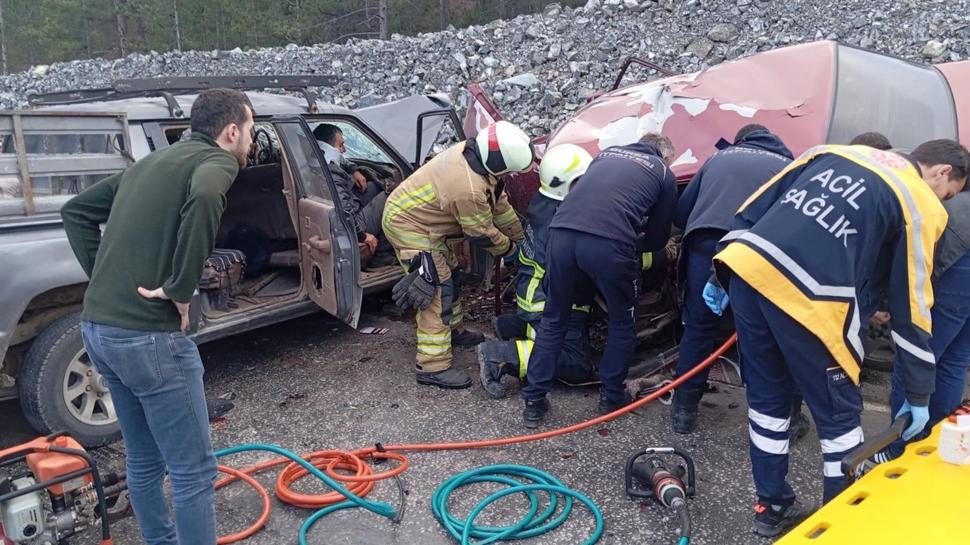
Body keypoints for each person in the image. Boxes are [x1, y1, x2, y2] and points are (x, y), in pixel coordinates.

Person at [708, 140, 969, 537]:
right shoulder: (921, 202)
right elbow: (912, 306)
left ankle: (772, 507)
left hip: (748, 274)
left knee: (767, 402)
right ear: (941, 173)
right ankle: (839, 526)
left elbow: (754, 209)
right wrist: (918, 394)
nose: (944, 201)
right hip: (811, 299)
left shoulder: (831, 152)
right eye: (948, 194)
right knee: (841, 420)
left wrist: (717, 274)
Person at [61, 88, 255, 545]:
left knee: (145, 461)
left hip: (98, 331)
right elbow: (208, 196)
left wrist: (105, 280)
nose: (250, 140)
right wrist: (180, 286)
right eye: (249, 130)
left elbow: (76, 213)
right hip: (148, 339)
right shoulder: (219, 163)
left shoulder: (148, 164)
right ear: (231, 131)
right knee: (193, 472)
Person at [522, 133, 678, 428]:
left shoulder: (606, 154)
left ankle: (534, 401)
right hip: (608, 244)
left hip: (562, 234)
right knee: (622, 320)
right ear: (665, 155)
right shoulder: (662, 172)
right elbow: (657, 238)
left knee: (555, 317)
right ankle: (611, 395)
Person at [382, 120, 530, 389]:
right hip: (409, 226)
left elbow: (500, 207)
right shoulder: (468, 187)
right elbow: (481, 232)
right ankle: (432, 366)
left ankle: (454, 332)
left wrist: (521, 237)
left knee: (451, 275)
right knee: (435, 289)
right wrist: (510, 251)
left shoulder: (480, 159)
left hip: (428, 225)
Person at [671, 124, 795, 434]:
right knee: (760, 334)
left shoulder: (718, 158)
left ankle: (684, 411)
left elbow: (681, 212)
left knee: (698, 329)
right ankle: (773, 418)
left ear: (741, 140)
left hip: (705, 245)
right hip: (756, 251)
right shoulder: (787, 167)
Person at [477, 144, 596, 397]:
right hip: (544, 302)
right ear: (567, 183)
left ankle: (513, 326)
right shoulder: (563, 222)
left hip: (531, 291)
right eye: (583, 180)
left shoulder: (545, 201)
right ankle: (498, 355)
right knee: (577, 363)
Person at [874, 189, 970, 462]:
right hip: (962, 274)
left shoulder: (950, 203)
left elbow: (915, 259)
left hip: (956, 273)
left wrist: (888, 303)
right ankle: (935, 443)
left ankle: (898, 450)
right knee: (954, 360)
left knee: (916, 360)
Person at [314, 123, 384, 263]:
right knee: (391, 195)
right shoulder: (331, 173)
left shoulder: (318, 160)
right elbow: (345, 213)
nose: (344, 150)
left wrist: (354, 170)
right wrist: (364, 237)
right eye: (341, 145)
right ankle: (383, 252)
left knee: (374, 187)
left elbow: (340, 159)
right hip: (350, 228)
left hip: (339, 213)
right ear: (328, 148)